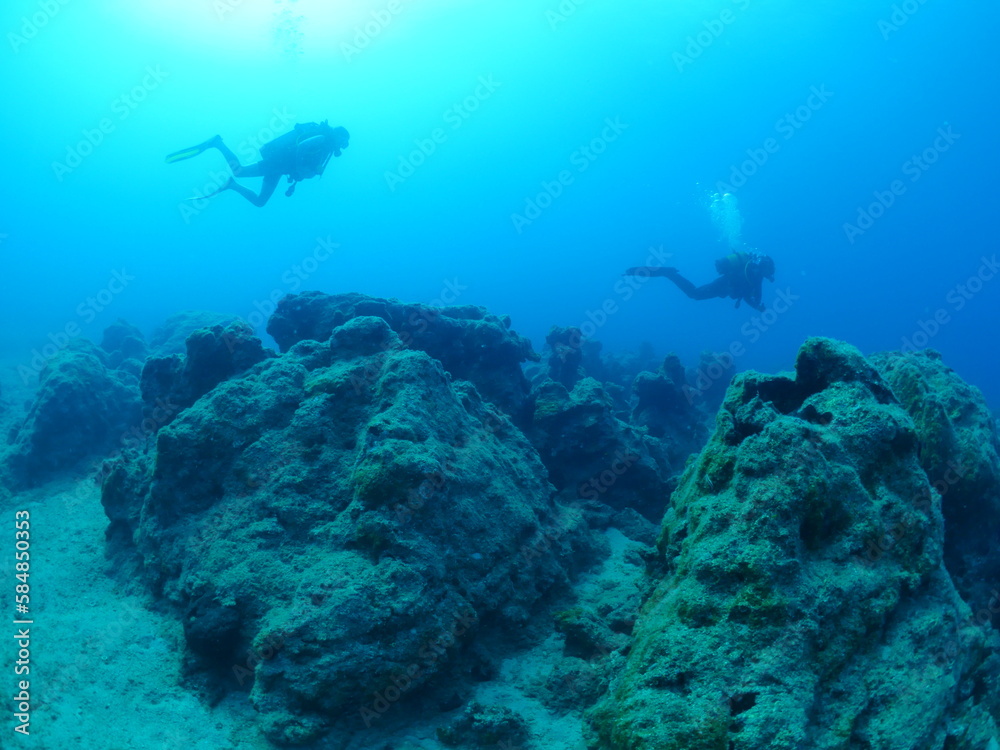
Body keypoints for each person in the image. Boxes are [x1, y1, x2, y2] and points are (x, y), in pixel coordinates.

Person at [166, 121, 350, 207]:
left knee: (260, 201)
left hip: (281, 168)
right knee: (239, 171)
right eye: (343, 141)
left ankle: (231, 185)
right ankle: (217, 143)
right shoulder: (323, 138)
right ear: (338, 135)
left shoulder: (326, 147)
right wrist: (302, 169)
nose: (342, 146)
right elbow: (301, 148)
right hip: (279, 162)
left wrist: (305, 172)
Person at [626, 250, 775, 312]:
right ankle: (669, 273)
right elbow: (751, 295)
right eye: (770, 272)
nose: (769, 275)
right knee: (694, 294)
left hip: (724, 284)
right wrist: (758, 307)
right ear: (766, 268)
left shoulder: (753, 271)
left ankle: (667, 273)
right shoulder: (756, 275)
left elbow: (750, 293)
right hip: (724, 285)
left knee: (694, 294)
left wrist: (756, 304)